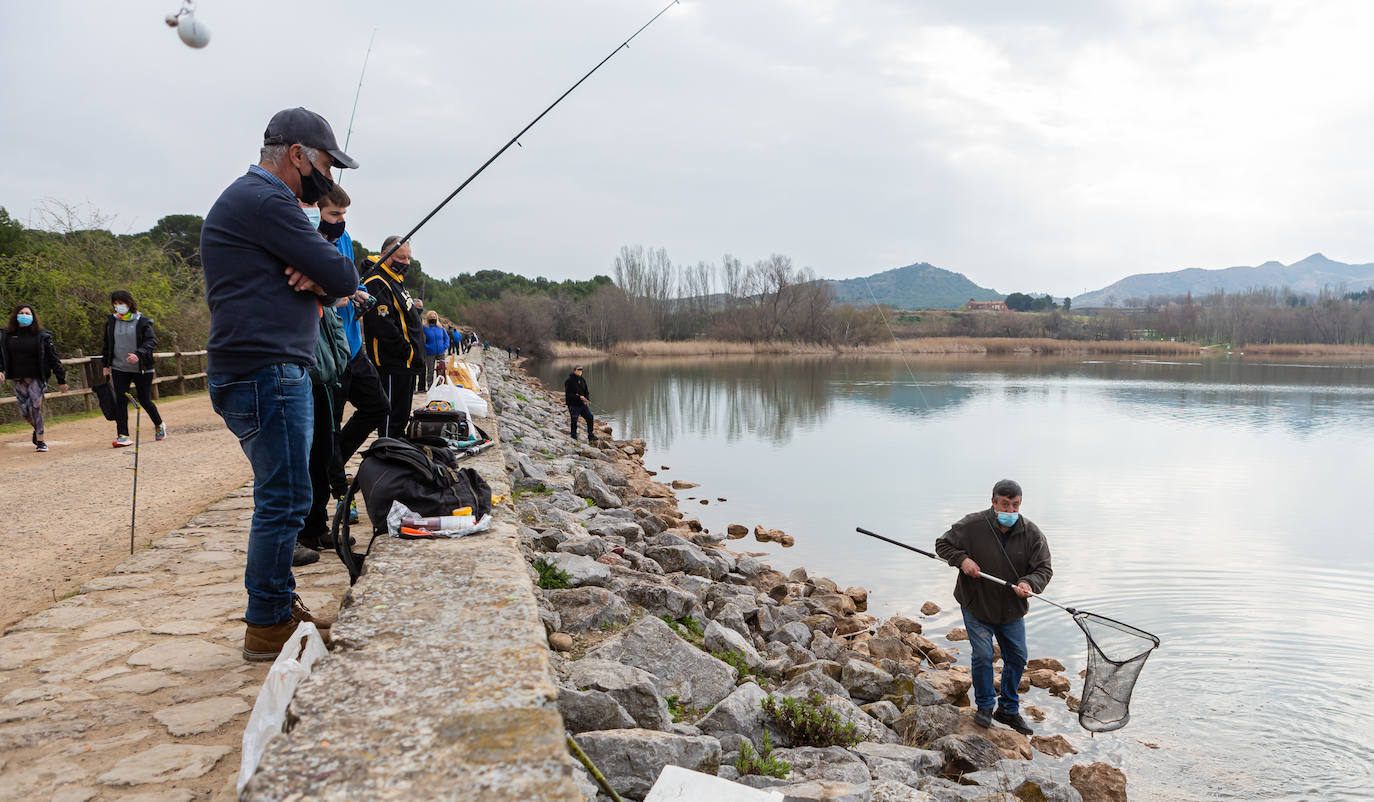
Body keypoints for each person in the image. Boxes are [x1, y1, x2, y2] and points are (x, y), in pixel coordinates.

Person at [201, 107, 360, 661]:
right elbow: (345, 276)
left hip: (255, 368)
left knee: (284, 493)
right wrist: (324, 276)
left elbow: (333, 279)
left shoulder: (256, 201)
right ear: (297, 154)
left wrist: (316, 274)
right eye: (326, 164)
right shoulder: (269, 199)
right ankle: (268, 622)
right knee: (285, 497)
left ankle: (273, 609)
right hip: (265, 370)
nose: (330, 179)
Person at [934, 479, 1052, 736]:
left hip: (1011, 609)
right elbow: (943, 545)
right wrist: (962, 560)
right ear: (993, 501)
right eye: (1005, 505)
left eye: (1015, 505)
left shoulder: (1032, 533)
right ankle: (985, 706)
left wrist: (1028, 583)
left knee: (1018, 657)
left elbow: (1044, 568)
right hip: (976, 604)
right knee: (984, 655)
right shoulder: (972, 525)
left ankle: (1008, 709)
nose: (1010, 511)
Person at [313, 185, 387, 526]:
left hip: (352, 345)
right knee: (328, 429)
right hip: (328, 351)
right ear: (316, 212)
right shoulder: (305, 237)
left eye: (344, 215)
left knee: (377, 406)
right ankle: (339, 493)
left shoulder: (343, 238)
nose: (341, 222)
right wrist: (338, 297)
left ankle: (337, 461)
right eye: (334, 215)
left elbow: (348, 282)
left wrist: (357, 295)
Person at [360, 236, 424, 439]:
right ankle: (387, 457)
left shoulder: (395, 280)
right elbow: (383, 325)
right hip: (392, 363)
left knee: (401, 418)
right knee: (390, 419)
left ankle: (398, 455)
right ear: (385, 255)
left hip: (406, 363)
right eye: (401, 257)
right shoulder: (377, 281)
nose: (406, 263)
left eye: (408, 258)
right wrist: (407, 350)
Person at [101, 290, 166, 447]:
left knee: (144, 400)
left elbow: (151, 342)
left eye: (120, 303)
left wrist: (138, 354)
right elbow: (107, 345)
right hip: (119, 367)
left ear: (129, 303)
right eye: (115, 304)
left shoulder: (142, 321)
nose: (118, 307)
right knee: (121, 401)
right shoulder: (111, 321)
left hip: (141, 368)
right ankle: (122, 435)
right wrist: (105, 364)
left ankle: (159, 424)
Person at [0, 304, 68, 452]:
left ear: (33, 316)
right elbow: (2, 354)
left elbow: (53, 358)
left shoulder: (42, 336)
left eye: (28, 313)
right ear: (16, 316)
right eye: (22, 313)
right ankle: (37, 429)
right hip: (18, 377)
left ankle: (41, 441)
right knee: (25, 412)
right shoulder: (7, 335)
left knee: (35, 406)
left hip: (37, 377)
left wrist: (61, 379)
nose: (25, 315)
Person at [564, 364, 595, 443]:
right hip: (573, 405)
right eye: (578, 370)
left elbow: (586, 391)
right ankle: (574, 437)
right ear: (574, 370)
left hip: (582, 405)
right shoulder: (569, 381)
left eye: (581, 370)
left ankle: (590, 435)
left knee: (590, 417)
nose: (580, 371)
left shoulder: (582, 380)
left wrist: (587, 399)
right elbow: (569, 395)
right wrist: (579, 397)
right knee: (574, 421)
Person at [422, 312, 448, 390]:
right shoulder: (424, 328)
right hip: (430, 352)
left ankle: (440, 386)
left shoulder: (441, 327)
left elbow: (446, 338)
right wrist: (427, 347)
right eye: (431, 316)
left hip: (441, 351)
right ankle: (430, 386)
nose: (433, 318)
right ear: (428, 318)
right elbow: (422, 340)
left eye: (434, 316)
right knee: (430, 370)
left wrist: (445, 346)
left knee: (441, 370)